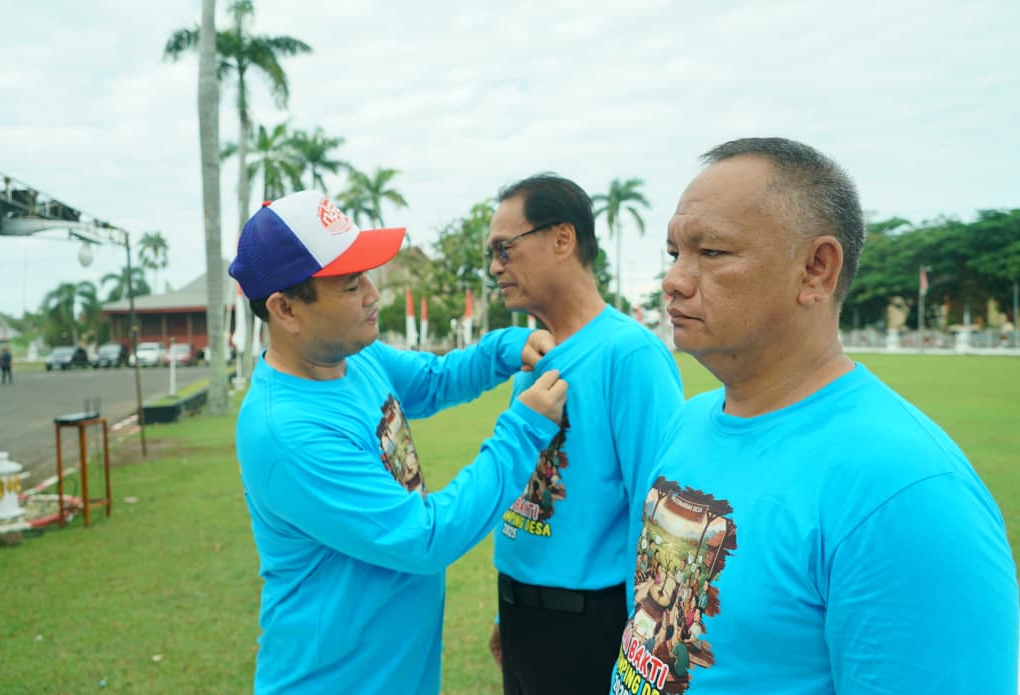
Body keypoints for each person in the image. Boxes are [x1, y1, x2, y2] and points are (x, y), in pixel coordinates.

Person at [610, 138, 1019, 694]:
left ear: (816, 270)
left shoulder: (905, 489)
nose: (675, 280)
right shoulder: (689, 421)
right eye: (674, 253)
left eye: (711, 253)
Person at [228, 190, 569, 694]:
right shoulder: (288, 433)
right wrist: (524, 428)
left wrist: (504, 347)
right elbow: (425, 538)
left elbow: (433, 380)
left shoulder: (352, 356)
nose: (373, 295)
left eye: (367, 276)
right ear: (286, 309)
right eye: (349, 286)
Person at [485, 174, 684, 693]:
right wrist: (514, 612)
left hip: (590, 626)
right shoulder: (535, 352)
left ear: (562, 239)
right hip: (525, 613)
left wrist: (647, 655)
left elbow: (658, 518)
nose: (494, 268)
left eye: (505, 249)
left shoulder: (631, 356)